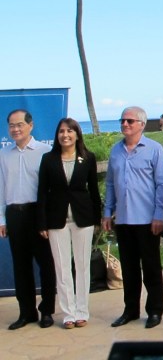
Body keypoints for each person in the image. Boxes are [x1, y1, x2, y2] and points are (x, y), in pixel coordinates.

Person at [102, 106, 163, 329]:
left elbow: (162, 184)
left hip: (147, 220)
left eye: (129, 121)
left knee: (151, 268)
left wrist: (159, 214)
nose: (125, 124)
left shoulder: (154, 149)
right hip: (123, 219)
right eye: (122, 120)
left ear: (141, 124)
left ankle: (155, 310)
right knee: (129, 270)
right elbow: (110, 184)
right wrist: (107, 212)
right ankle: (130, 310)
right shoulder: (115, 151)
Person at [37, 118, 101, 329]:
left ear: (77, 134)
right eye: (62, 131)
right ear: (57, 135)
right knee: (62, 268)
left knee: (82, 266)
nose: (65, 135)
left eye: (70, 131)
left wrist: (98, 219)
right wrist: (42, 223)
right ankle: (68, 313)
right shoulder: (48, 159)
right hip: (56, 220)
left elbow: (93, 190)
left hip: (83, 219)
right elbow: (42, 193)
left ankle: (82, 311)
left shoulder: (88, 158)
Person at [0, 109, 57, 329]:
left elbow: (51, 190)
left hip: (38, 214)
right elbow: (1, 188)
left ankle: (47, 311)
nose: (15, 129)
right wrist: (2, 219)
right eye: (11, 125)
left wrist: (48, 219)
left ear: (30, 126)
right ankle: (27, 312)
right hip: (14, 214)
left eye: (20, 124)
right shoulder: (4, 154)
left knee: (46, 264)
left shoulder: (46, 152)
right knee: (20, 266)